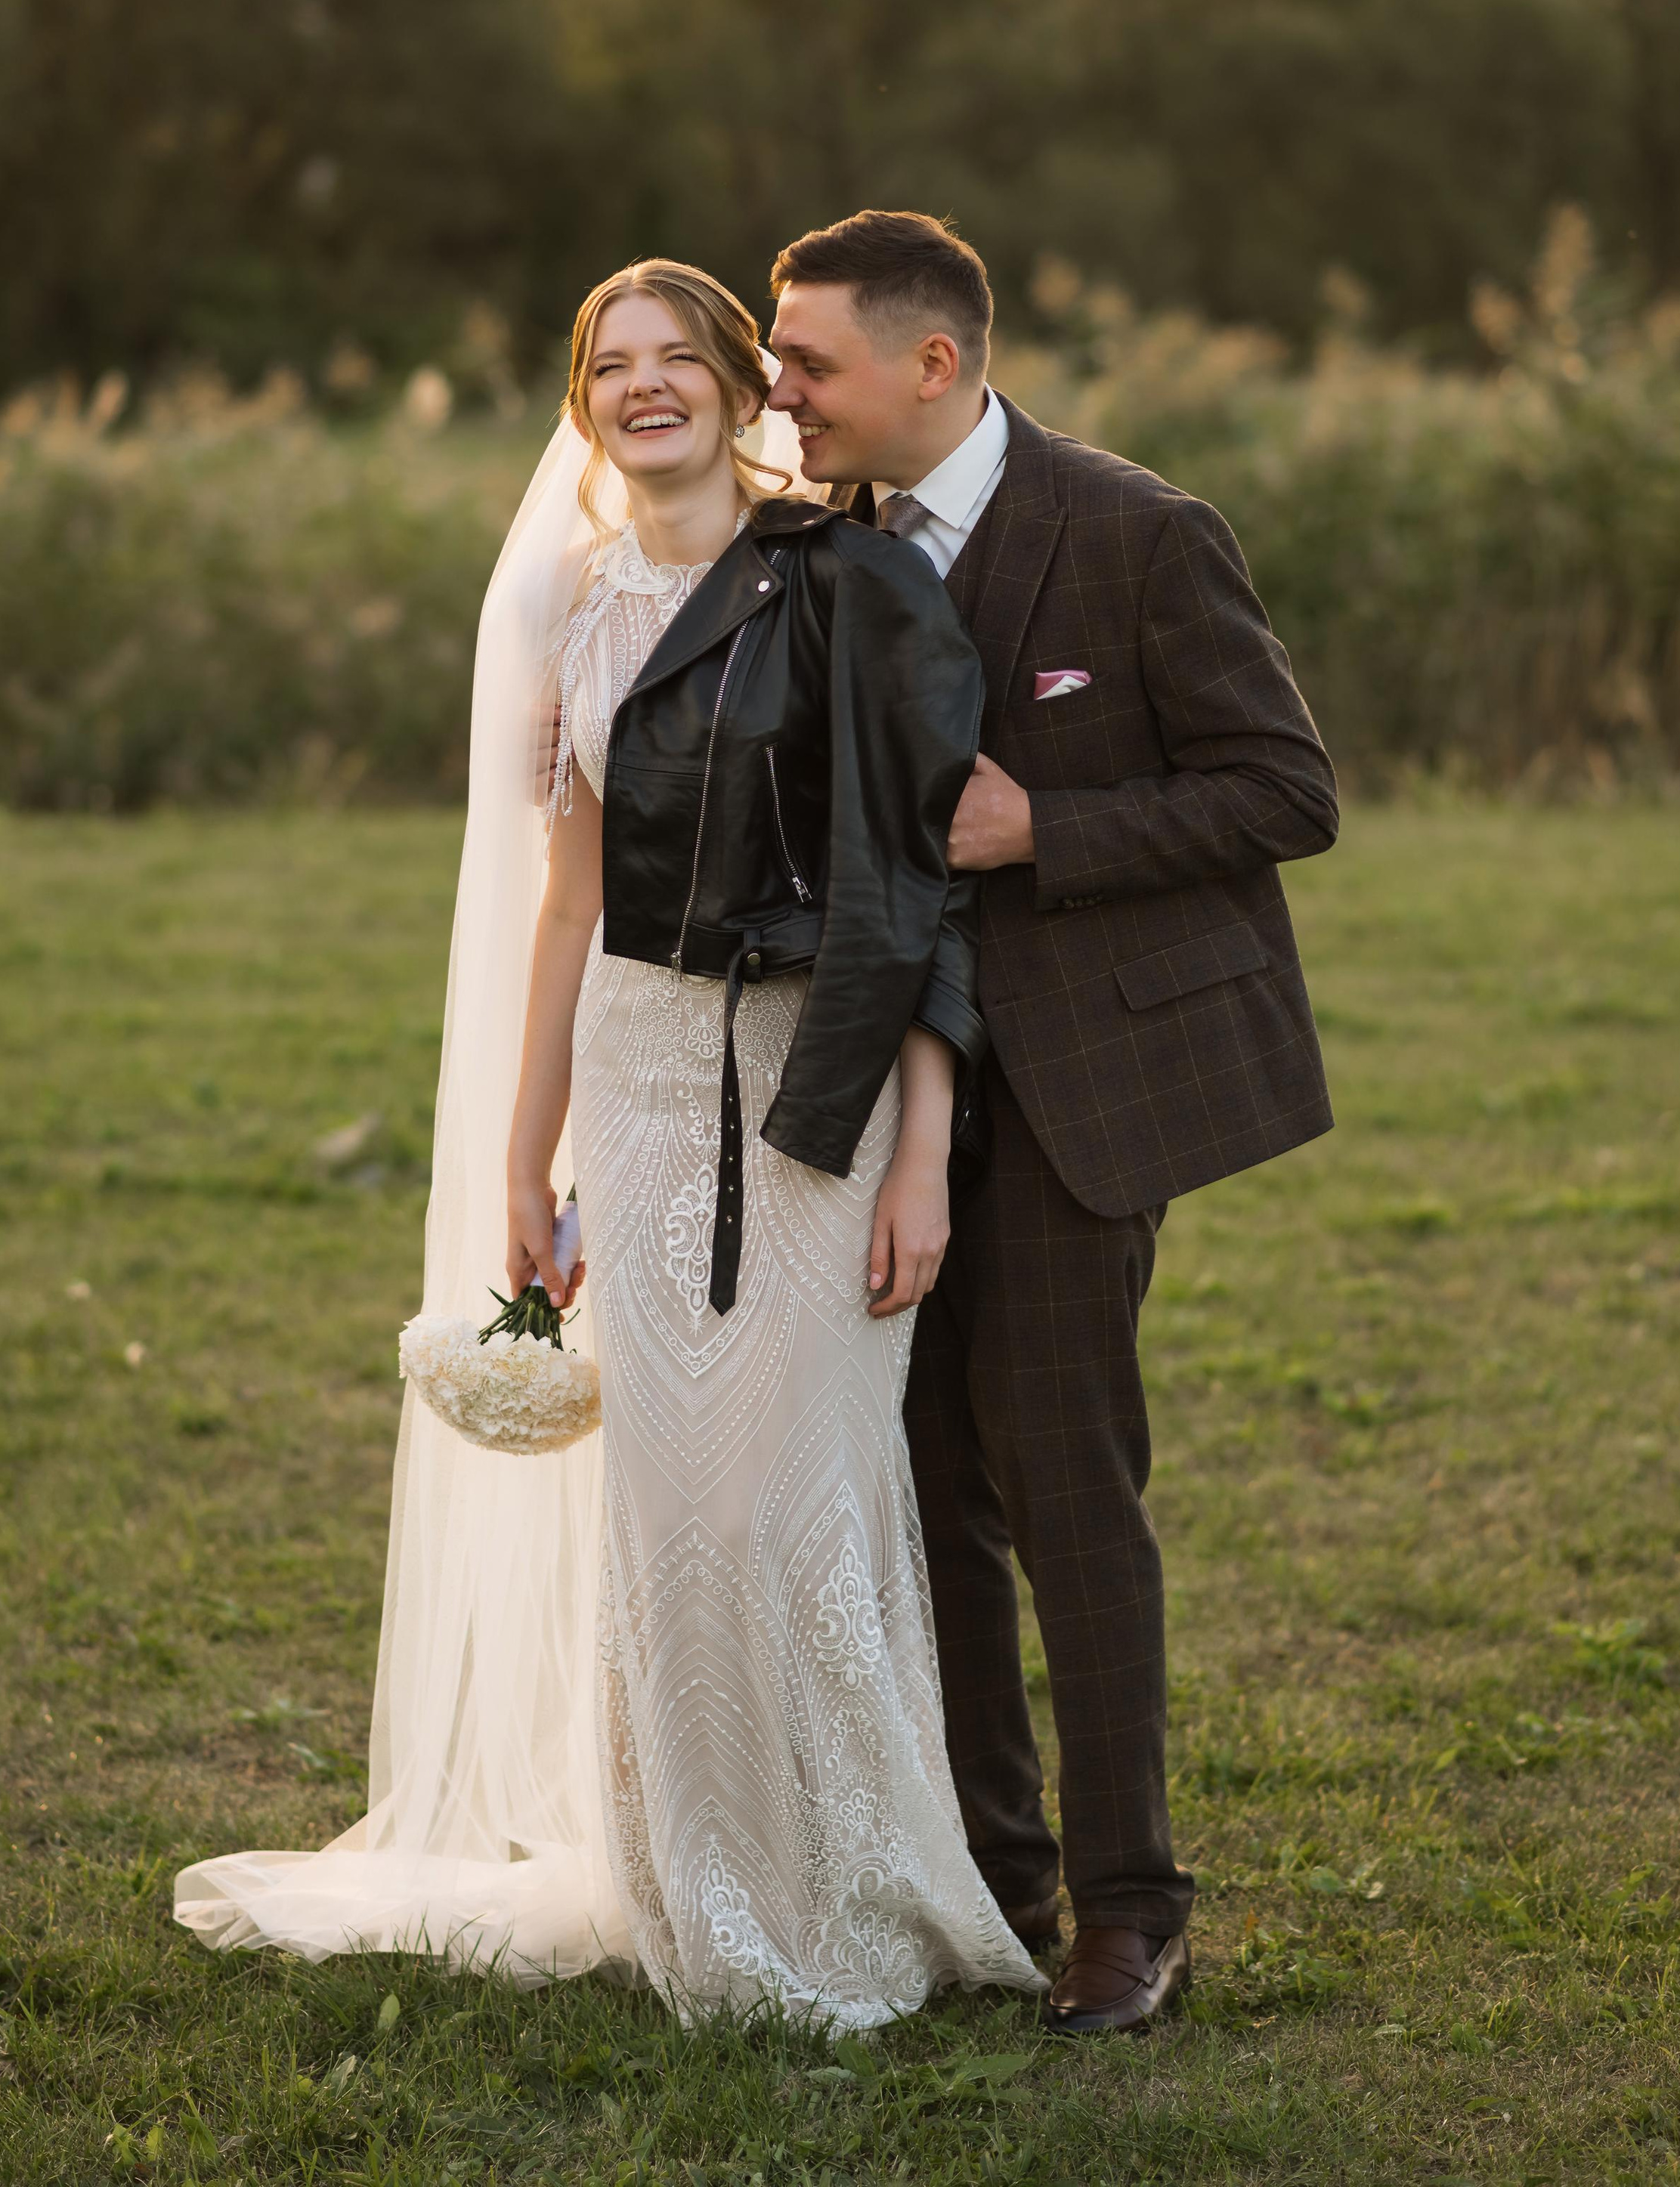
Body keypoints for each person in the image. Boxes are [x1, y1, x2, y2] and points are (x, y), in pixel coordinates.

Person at [176, 258, 1038, 2033]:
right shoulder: (572, 601)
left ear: (739, 385)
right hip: (641, 1090)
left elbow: (920, 883)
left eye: (678, 361)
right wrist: (522, 1159)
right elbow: (565, 906)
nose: (645, 389)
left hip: (825, 1078)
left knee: (794, 1493)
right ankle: (690, 1901)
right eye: (608, 366)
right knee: (664, 1516)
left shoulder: (847, 580)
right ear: (584, 404)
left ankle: (852, 1891)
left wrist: (922, 1153)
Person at [767, 209, 1339, 2037]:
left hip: (1088, 1090)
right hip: (882, 1101)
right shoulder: (813, 553)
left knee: (1063, 1493)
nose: (781, 391)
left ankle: (1129, 1910)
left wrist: (1049, 834)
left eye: (809, 363)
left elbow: (1283, 790)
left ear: (932, 363)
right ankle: (989, 1875)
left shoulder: (1136, 532)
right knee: (921, 1492)